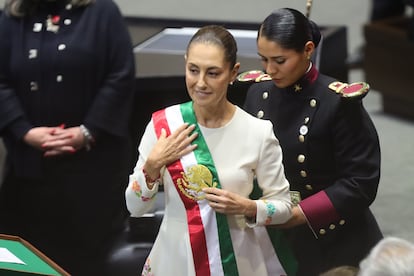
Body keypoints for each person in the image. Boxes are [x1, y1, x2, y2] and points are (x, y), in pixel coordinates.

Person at [125, 25, 296, 276]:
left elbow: (283, 207)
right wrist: (152, 165)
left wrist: (248, 207)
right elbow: (135, 208)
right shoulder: (164, 126)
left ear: (233, 72)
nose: (201, 83)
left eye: (213, 73)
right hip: (176, 260)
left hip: (237, 261)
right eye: (193, 70)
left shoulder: (257, 132)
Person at [242, 8, 383, 276]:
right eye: (264, 59)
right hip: (273, 235)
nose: (270, 70)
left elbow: (360, 182)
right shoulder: (257, 94)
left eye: (280, 60)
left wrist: (298, 215)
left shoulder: (338, 103)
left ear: (308, 50)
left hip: (334, 239)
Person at [0, 0, 135, 275]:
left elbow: (120, 74)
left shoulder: (102, 13)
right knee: (25, 263)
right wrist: (22, 130)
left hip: (92, 176)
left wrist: (87, 131)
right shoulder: (12, 18)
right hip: (29, 175)